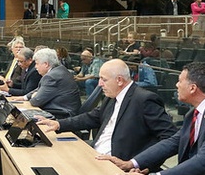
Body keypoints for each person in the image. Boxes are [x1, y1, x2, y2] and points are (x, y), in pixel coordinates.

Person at [39, 59, 176, 160]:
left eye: (103, 79)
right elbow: (92, 117)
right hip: (95, 154)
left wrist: (139, 163)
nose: (99, 84)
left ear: (119, 80)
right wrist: (59, 124)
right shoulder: (112, 96)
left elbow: (169, 137)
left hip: (118, 164)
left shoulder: (145, 100)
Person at [21, 48, 81, 118]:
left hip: (62, 115)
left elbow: (36, 101)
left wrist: (33, 96)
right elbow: (39, 89)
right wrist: (25, 97)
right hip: (64, 111)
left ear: (46, 64)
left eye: (37, 64)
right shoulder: (60, 70)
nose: (35, 67)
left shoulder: (51, 77)